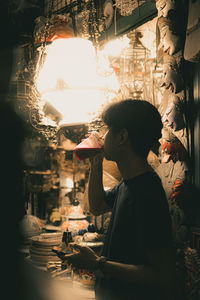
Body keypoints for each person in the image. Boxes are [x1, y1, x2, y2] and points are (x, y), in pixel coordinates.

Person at [64, 99, 176, 300]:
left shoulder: (147, 190)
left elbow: (162, 275)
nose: (102, 135)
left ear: (122, 136)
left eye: (107, 130)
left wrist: (98, 263)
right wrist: (96, 163)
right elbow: (97, 206)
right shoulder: (129, 183)